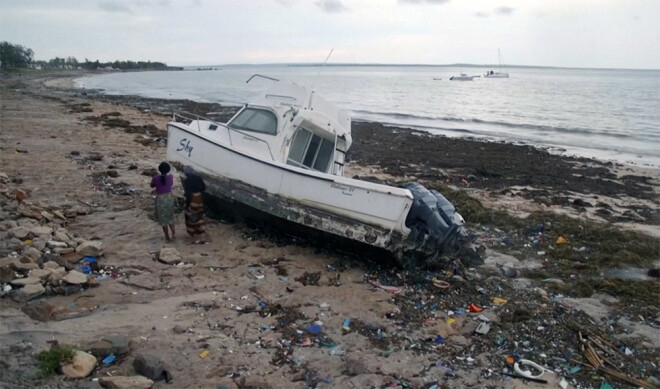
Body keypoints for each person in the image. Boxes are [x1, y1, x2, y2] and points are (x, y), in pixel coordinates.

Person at [150, 162, 176, 241]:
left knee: (163, 219)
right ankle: (174, 234)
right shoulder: (171, 177)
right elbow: (170, 184)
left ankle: (167, 237)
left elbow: (151, 185)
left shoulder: (155, 178)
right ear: (168, 170)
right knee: (170, 217)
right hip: (169, 197)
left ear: (159, 169)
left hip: (161, 199)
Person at [182, 165, 208, 243]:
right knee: (199, 216)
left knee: (191, 218)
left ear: (186, 173)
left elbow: (188, 194)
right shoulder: (198, 177)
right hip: (199, 198)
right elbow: (204, 188)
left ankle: (195, 237)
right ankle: (202, 236)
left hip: (193, 199)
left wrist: (187, 205)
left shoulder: (187, 181)